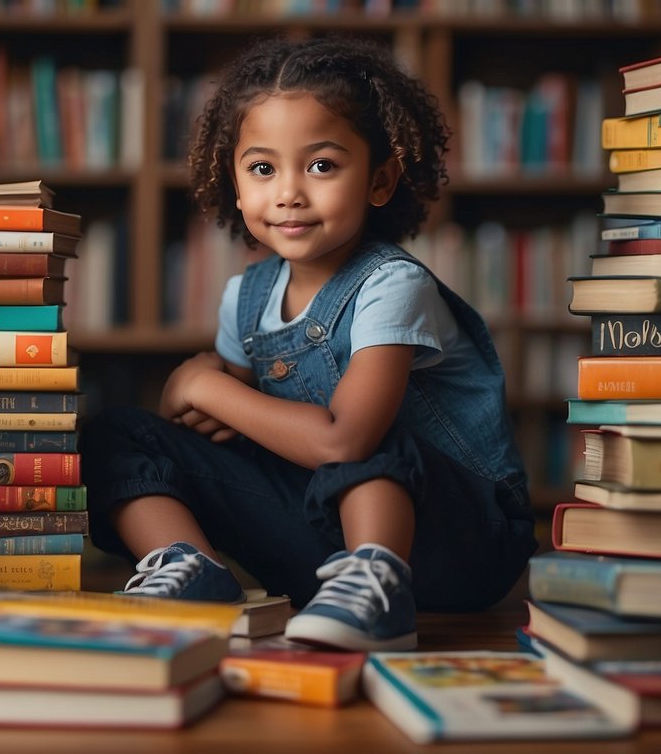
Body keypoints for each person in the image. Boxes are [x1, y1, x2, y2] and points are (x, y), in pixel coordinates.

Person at [81, 34, 537, 652]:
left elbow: (343, 440)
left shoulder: (390, 284)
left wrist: (206, 383)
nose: (289, 191)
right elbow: (222, 433)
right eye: (263, 168)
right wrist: (187, 395)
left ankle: (377, 582)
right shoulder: (245, 296)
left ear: (380, 181)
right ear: (236, 185)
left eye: (321, 165)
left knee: (363, 432)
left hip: (459, 542)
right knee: (112, 433)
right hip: (318, 552)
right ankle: (186, 569)